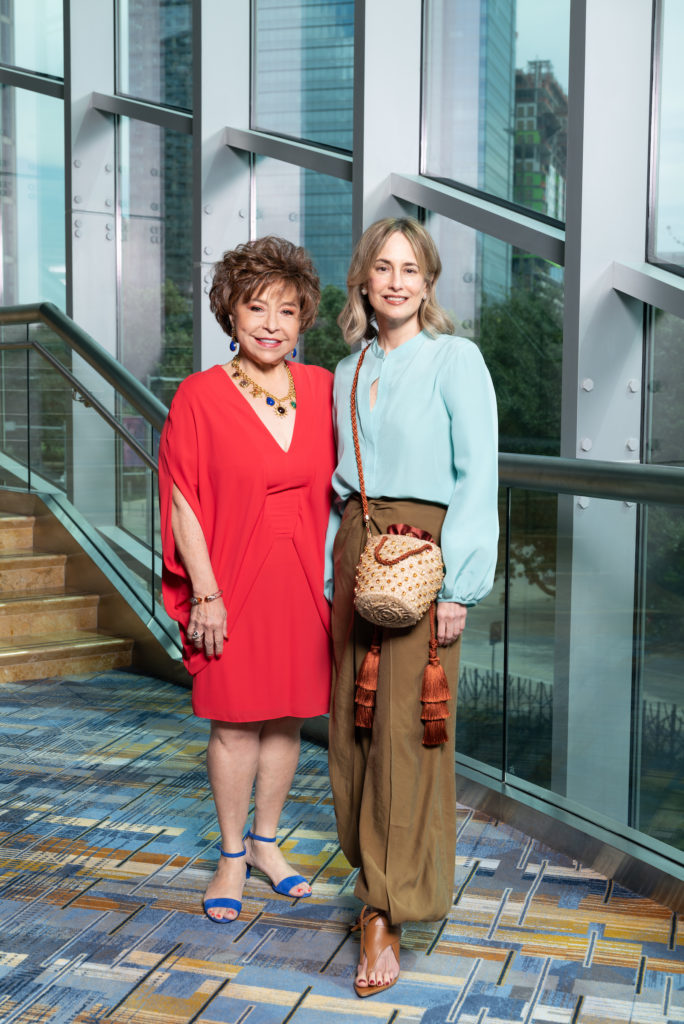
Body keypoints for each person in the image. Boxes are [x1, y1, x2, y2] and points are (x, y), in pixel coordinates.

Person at [325, 217, 498, 996]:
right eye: (382, 268)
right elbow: (339, 486)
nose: (396, 281)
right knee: (351, 726)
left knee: (407, 732)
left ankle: (385, 913)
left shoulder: (455, 360)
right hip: (358, 550)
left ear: (428, 283)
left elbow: (479, 475)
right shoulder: (346, 370)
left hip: (425, 555)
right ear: (363, 280)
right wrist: (336, 575)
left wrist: (460, 584)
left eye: (411, 269)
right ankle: (371, 874)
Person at [159, 235, 335, 924]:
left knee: (287, 717)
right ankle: (232, 854)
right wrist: (205, 592)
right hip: (230, 579)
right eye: (254, 307)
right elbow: (183, 500)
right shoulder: (200, 396)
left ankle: (267, 844)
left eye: (286, 311)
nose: (270, 324)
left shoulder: (324, 388)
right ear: (229, 314)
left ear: (303, 320)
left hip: (302, 582)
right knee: (234, 725)